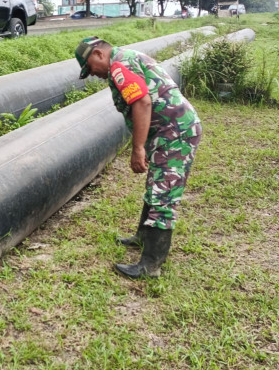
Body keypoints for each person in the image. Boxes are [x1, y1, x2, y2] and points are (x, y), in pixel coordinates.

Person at [74, 36, 202, 278]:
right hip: (168, 131)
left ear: (98, 54)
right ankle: (143, 236)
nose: (93, 74)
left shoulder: (119, 65)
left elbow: (142, 102)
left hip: (175, 133)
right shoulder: (126, 59)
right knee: (155, 185)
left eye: (90, 68)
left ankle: (150, 265)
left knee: (163, 194)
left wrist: (138, 148)